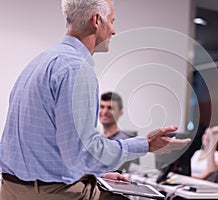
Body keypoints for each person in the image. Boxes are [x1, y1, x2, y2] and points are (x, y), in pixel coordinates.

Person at [0, 0, 190, 199]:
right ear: (97, 21)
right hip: (49, 193)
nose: (114, 31)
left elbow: (60, 151)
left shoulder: (39, 62)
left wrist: (92, 173)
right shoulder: (76, 69)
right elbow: (82, 153)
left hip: (10, 188)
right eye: (112, 21)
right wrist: (147, 144)